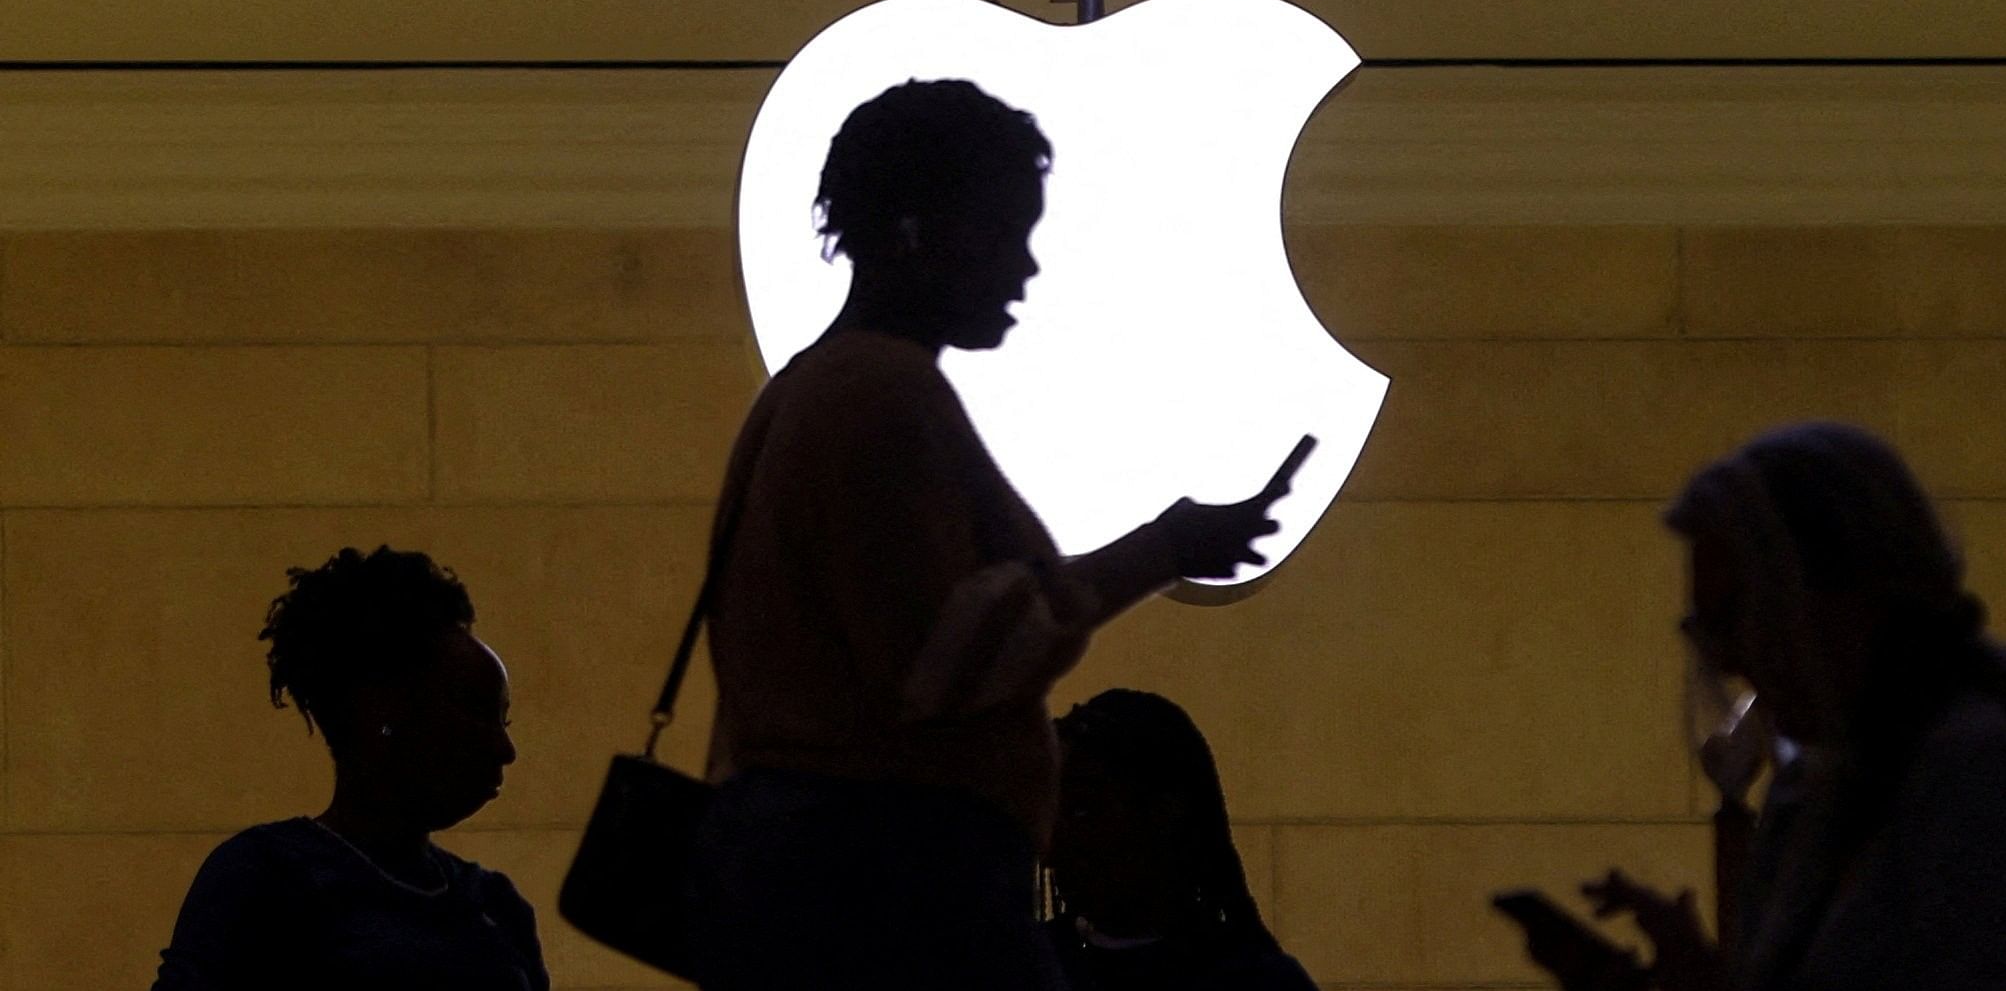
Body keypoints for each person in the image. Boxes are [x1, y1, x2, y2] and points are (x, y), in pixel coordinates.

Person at [686, 79, 1292, 991]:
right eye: (1004, 230)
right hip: (899, 895)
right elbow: (942, 658)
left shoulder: (814, 389)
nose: (1024, 268)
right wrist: (1161, 550)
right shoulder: (881, 396)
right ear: (919, 229)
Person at [1520, 422, 2006, 991]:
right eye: (1711, 630)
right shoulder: (1822, 786)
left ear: (1845, 593)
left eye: (1740, 617)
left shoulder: (1988, 786)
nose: (1727, 661)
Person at [153, 546, 545, 991]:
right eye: (475, 713)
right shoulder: (267, 878)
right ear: (381, 710)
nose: (505, 747)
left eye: (503, 720)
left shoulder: (496, 906)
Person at [1044, 689, 1320, 991]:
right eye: (1053, 812)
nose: (1054, 844)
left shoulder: (1256, 981)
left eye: (1083, 811)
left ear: (1165, 813)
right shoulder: (1021, 968)